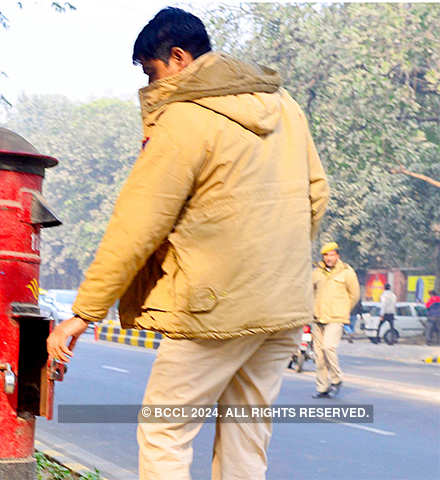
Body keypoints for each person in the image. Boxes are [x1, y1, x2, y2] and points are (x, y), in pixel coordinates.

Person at [47, 7, 329, 480]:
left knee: (164, 431)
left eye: (149, 72)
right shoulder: (286, 106)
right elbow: (316, 195)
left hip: (214, 306)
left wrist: (83, 314)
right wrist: (276, 261)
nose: (149, 86)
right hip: (283, 305)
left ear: (178, 57)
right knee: (246, 439)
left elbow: (137, 225)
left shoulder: (185, 119)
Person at [312, 242, 360, 398]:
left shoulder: (347, 272)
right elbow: (310, 292)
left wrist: (344, 310)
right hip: (317, 317)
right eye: (326, 255)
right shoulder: (317, 272)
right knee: (319, 356)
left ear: (337, 255)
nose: (328, 258)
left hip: (336, 317)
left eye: (331, 254)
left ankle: (336, 379)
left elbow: (354, 295)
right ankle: (322, 388)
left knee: (328, 347)